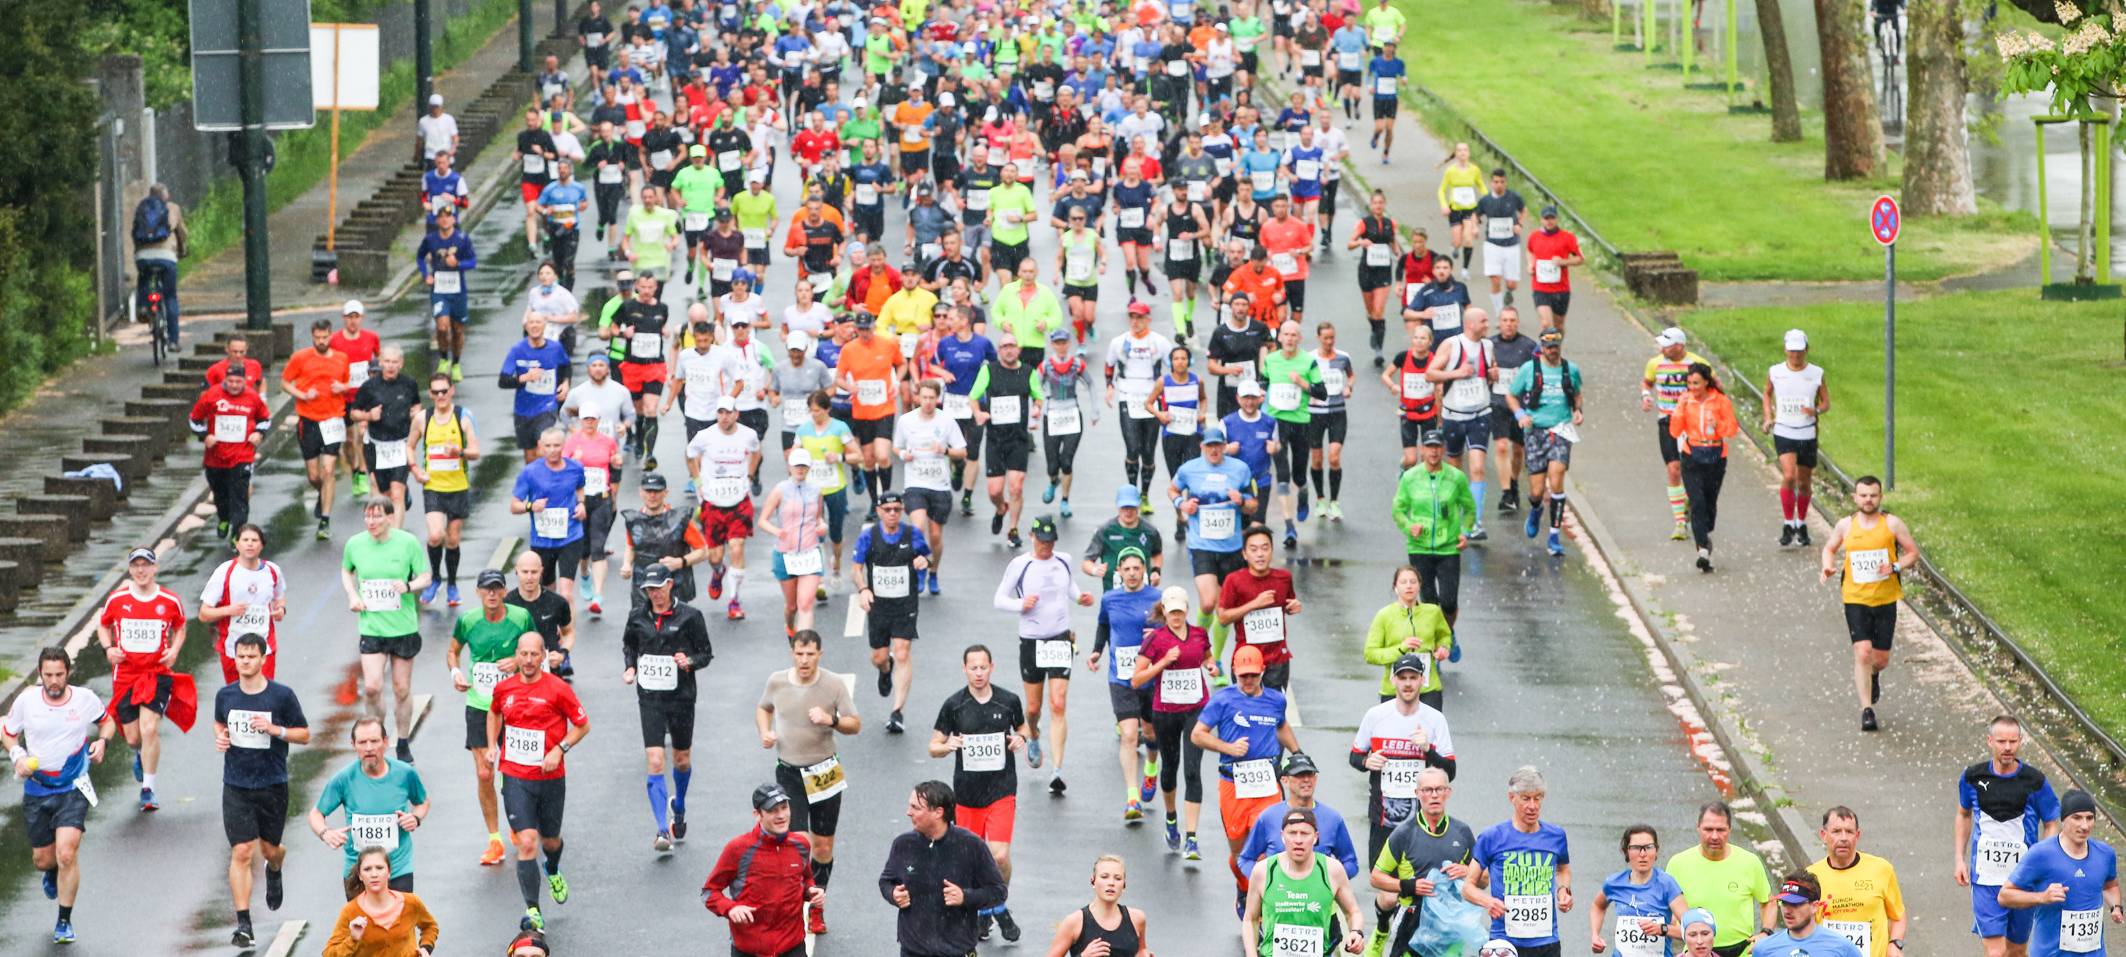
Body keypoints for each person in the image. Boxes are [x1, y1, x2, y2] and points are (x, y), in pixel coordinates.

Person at [4, 647, 115, 945]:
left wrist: (103, 742)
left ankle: (64, 920)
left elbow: (107, 721)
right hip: (38, 788)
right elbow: (7, 730)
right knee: (43, 859)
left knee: (68, 852)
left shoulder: (84, 699)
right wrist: (17, 755)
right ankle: (51, 870)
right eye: (48, 675)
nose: (54, 681)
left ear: (68, 672)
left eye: (59, 675)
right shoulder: (27, 700)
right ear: (40, 673)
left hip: (73, 785)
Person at [756, 630, 859, 934]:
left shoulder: (833, 684)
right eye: (799, 654)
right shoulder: (777, 681)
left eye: (810, 654)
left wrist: (832, 721)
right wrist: (765, 732)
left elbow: (855, 724)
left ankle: (816, 905)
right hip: (788, 771)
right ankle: (790, 904)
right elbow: (764, 708)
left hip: (824, 771)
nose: (804, 660)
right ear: (792, 653)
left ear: (819, 654)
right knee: (799, 842)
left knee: (823, 846)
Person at [487, 632, 590, 931]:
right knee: (527, 841)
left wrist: (560, 749)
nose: (529, 661)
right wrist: (492, 744)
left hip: (550, 778)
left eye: (535, 655)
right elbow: (494, 713)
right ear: (517, 655)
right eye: (524, 655)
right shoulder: (504, 688)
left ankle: (553, 868)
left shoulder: (557, 689)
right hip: (515, 776)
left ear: (544, 655)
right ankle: (533, 910)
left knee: (550, 840)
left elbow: (583, 726)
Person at [928, 647, 1032, 942]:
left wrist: (1020, 739)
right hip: (966, 795)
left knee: (998, 856)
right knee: (971, 860)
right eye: (972, 668)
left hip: (1001, 789)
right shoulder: (954, 705)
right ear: (965, 669)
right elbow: (932, 746)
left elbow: (1023, 728)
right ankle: (991, 909)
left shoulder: (1008, 700)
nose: (978, 673)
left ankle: (996, 901)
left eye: (982, 667)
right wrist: (948, 745)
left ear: (991, 667)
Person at [213, 634, 310, 946]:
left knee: (270, 850)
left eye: (251, 657)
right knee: (241, 851)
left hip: (272, 784)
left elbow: (305, 734)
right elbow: (219, 723)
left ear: (263, 659)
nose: (245, 662)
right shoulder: (226, 695)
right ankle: (243, 924)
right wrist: (222, 737)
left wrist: (275, 730)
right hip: (236, 785)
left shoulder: (281, 696)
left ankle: (276, 866)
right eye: (240, 656)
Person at [994, 515, 1092, 792]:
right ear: (1032, 537)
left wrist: (1080, 597)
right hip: (1032, 640)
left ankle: (1057, 770)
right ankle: (1033, 734)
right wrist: (1020, 605)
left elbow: (1069, 587)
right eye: (1041, 541)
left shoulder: (1063, 560)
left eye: (1050, 542)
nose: (1046, 547)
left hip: (1060, 638)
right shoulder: (1020, 564)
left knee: (1058, 703)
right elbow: (999, 599)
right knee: (1034, 708)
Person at [1817, 475, 1921, 732]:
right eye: (1863, 495)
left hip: (1885, 598)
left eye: (1873, 495)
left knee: (1881, 659)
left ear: (1880, 497)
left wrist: (1894, 566)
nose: (1868, 500)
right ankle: (1867, 711)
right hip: (1855, 598)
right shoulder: (1846, 526)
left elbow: (1913, 553)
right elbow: (1829, 548)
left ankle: (1873, 675)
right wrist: (1828, 567)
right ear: (1855, 498)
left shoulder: (1892, 524)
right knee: (1862, 652)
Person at [445, 569, 533, 867]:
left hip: (514, 703)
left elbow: (539, 651)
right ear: (479, 592)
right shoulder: (468, 620)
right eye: (487, 589)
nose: (492, 594)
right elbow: (453, 651)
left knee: (514, 771)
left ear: (505, 591)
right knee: (485, 773)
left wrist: (519, 661)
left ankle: (517, 824)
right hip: (480, 705)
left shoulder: (520, 618)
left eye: (497, 589)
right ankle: (494, 839)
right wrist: (455, 672)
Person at [622, 563, 712, 853]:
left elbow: (706, 653)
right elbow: (629, 646)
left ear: (670, 585)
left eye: (659, 589)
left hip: (682, 697)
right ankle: (662, 829)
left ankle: (680, 806)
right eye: (649, 591)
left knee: (681, 760)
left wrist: (690, 662)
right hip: (650, 698)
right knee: (656, 761)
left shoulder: (691, 616)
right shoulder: (637, 616)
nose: (655, 595)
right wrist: (630, 668)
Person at [1195, 645, 1301, 892]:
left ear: (1263, 671)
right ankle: (1244, 888)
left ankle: (1266, 899)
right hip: (1233, 785)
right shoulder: (1223, 700)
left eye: (1253, 675)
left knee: (1271, 846)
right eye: (1244, 675)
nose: (1249, 680)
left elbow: (1281, 726)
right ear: (1234, 672)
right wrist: (1228, 748)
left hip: (1267, 786)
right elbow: (1197, 735)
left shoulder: (1275, 700)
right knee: (1240, 854)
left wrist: (1297, 754)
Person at [97, 546, 194, 813]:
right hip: (126, 674)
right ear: (130, 569)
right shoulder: (117, 599)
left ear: (155, 568)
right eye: (136, 565)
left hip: (156, 673)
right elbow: (103, 625)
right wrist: (108, 649)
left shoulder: (169, 600)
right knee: (132, 737)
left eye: (146, 565)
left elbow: (181, 627)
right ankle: (139, 753)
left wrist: (173, 651)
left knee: (150, 728)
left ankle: (148, 789)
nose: (141, 570)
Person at [1958, 715, 2063, 957]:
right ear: (1990, 741)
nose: (2007, 747)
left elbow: (2050, 822)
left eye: (2013, 741)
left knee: (2016, 950)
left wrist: (2042, 863)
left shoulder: (2035, 781)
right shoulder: (1973, 777)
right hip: (1985, 878)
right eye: (2002, 741)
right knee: (1995, 951)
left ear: (2020, 742)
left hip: (2022, 880)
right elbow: (1963, 814)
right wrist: (1959, 858)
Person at [341, 496, 432, 763]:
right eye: (367, 517)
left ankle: (402, 741)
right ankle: (377, 737)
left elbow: (425, 576)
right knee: (371, 687)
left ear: (390, 518)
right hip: (372, 627)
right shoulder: (355, 544)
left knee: (402, 689)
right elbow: (346, 571)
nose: (371, 522)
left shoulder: (407, 543)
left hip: (403, 626)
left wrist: (409, 587)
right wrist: (352, 596)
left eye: (377, 516)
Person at [1368, 766, 1494, 957]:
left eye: (1439, 789)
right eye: (1427, 790)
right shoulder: (1403, 834)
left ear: (1447, 792)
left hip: (1449, 920)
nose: (1434, 795)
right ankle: (1381, 932)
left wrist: (1468, 871)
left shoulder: (1462, 832)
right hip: (1412, 918)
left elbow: (1484, 880)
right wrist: (1409, 885)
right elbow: (1376, 878)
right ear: (1417, 793)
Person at [882, 780, 1013, 955]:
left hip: (958, 951)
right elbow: (886, 881)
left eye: (916, 808)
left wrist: (965, 897)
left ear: (938, 812)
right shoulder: (903, 845)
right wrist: (893, 894)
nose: (908, 812)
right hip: (913, 951)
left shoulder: (972, 845)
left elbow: (998, 892)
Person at [1351, 654, 1458, 866]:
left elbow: (1450, 772)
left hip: (1423, 818)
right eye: (1402, 677)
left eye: (1413, 677)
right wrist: (1366, 762)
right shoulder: (1376, 715)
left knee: (1420, 882)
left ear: (1422, 680)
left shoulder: (1435, 719)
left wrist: (1428, 750)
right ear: (1393, 680)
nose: (1407, 683)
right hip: (1383, 816)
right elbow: (1355, 756)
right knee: (1383, 885)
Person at [1170, 426, 1258, 677]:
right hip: (1202, 546)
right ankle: (1196, 644)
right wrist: (1182, 504)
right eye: (1209, 446)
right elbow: (1172, 490)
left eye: (1218, 445)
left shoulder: (1239, 469)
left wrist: (1241, 500)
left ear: (1224, 446)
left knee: (1224, 610)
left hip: (1231, 548)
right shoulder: (1189, 469)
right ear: (1202, 447)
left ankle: (1214, 659)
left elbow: (1253, 505)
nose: (1214, 450)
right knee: (1208, 602)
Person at [2000, 789, 2122, 957]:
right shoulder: (2041, 854)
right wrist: (2041, 897)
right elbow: (2004, 895)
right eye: (2077, 818)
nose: (2084, 825)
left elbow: (2110, 884)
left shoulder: (2105, 854)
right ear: (2063, 819)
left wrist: (2115, 906)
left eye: (2089, 818)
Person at [705, 783, 825, 955]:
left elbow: (804, 879)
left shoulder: (801, 845)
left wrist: (811, 891)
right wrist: (730, 908)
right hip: (750, 950)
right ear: (757, 814)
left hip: (793, 947)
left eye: (784, 808)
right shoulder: (738, 849)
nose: (781, 815)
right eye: (772, 811)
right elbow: (709, 892)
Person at [1090, 552, 1162, 823]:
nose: (1132, 573)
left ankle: (1152, 767)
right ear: (1118, 570)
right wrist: (1097, 651)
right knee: (1130, 735)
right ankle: (1132, 797)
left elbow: (1172, 630)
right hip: (1120, 676)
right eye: (1127, 568)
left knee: (1151, 731)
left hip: (1151, 676)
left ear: (1144, 569)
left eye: (1137, 568)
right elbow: (1103, 626)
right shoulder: (1110, 598)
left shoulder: (1158, 597)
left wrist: (1157, 634)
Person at [1473, 766, 1575, 957]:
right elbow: (1468, 887)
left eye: (1537, 798)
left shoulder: (1556, 836)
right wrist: (1488, 901)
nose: (1533, 806)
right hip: (1504, 943)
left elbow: (1563, 869)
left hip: (1547, 941)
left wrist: (1564, 891)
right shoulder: (1491, 837)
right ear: (1512, 798)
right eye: (1526, 798)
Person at [1240, 808, 1369, 957]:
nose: (1298, 840)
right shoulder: (1263, 871)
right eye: (1292, 833)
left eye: (1305, 833)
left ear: (1315, 837)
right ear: (1282, 836)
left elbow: (1353, 912)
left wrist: (1356, 932)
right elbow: (1250, 919)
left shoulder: (1332, 870)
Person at [854, 491, 931, 731]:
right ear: (878, 512)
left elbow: (925, 556)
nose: (892, 514)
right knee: (879, 657)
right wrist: (863, 589)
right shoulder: (869, 537)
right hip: (879, 605)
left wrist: (923, 562)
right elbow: (856, 569)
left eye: (897, 510)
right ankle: (884, 670)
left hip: (905, 604)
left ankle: (897, 712)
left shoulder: (912, 534)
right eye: (887, 510)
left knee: (902, 652)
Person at [1504, 329, 1583, 558]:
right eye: (1548, 347)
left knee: (1557, 477)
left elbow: (1577, 394)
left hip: (1561, 429)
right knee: (1537, 490)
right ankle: (1536, 508)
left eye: (1556, 346)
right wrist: (1520, 415)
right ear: (1541, 348)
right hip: (1535, 431)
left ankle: (1554, 535)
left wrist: (1578, 411)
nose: (1552, 350)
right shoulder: (1529, 370)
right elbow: (1511, 395)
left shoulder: (1571, 370)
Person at [686, 396, 762, 621]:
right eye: (720, 412)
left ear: (736, 414)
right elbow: (690, 456)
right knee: (715, 556)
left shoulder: (748, 435)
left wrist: (749, 475)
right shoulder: (705, 436)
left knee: (737, 548)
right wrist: (698, 482)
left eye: (728, 412)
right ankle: (719, 572)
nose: (724, 417)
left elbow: (757, 453)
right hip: (713, 502)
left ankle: (734, 600)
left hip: (739, 501)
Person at [1666, 802, 1775, 957]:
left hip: (1742, 951)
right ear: (1698, 828)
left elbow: (1768, 902)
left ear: (1729, 829)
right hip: (1696, 951)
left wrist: (1766, 933)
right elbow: (1667, 911)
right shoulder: (1678, 864)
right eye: (1708, 829)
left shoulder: (1749, 862)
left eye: (1721, 830)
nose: (1714, 836)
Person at [1239, 753, 1365, 887]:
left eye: (1310, 775)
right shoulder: (1269, 817)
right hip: (1280, 896)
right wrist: (1266, 881)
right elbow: (1246, 859)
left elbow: (1350, 862)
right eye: (1299, 775)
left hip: (1317, 897)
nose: (1306, 780)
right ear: (1285, 780)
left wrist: (1329, 881)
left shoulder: (1332, 818)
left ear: (1315, 779)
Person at [1393, 433, 1473, 639]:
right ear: (1422, 450)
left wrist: (1465, 532)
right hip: (1419, 548)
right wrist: (1409, 526)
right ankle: (1438, 644)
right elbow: (1398, 510)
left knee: (1448, 601)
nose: (1434, 451)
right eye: (1429, 447)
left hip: (1449, 548)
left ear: (1443, 449)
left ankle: (1448, 633)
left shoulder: (1456, 477)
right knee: (1429, 603)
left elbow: (1469, 508)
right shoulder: (1410, 478)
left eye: (1437, 446)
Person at [411, 374, 480, 605]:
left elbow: (476, 451)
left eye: (444, 391)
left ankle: (451, 583)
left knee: (452, 539)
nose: (440, 396)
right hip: (434, 487)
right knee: (434, 535)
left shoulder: (463, 417)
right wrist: (415, 470)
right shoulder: (423, 418)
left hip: (458, 487)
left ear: (451, 391)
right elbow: (409, 446)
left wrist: (458, 452)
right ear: (430, 394)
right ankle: (435, 579)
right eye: (435, 392)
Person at [1426, 306, 1496, 536]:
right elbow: (1430, 373)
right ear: (1470, 324)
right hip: (1454, 416)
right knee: (1456, 470)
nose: (1487, 325)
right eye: (1483, 321)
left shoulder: (1488, 345)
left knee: (1477, 468)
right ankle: (1457, 516)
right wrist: (1456, 373)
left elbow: (1490, 370)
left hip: (1480, 414)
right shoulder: (1452, 345)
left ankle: (1474, 522)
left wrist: (1493, 374)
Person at [890, 381, 965, 594]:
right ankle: (921, 565)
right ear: (918, 398)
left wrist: (946, 451)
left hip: (939, 485)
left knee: (935, 535)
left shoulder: (947, 421)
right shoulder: (906, 421)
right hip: (915, 483)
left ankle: (934, 572)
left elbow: (962, 451)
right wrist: (904, 454)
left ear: (938, 399)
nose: (928, 402)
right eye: (924, 398)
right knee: (917, 527)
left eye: (932, 398)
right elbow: (897, 446)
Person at [284, 318, 355, 539]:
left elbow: (348, 383)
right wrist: (303, 395)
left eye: (325, 338)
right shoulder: (301, 357)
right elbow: (285, 382)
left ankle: (325, 520)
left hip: (333, 419)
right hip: (309, 419)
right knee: (314, 475)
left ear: (330, 336)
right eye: (317, 338)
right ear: (312, 336)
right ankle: (322, 494)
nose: (321, 341)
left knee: (328, 470)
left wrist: (342, 387)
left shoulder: (342, 358)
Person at [1807, 807, 1908, 957]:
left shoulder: (1881, 869)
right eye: (1836, 831)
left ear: (1857, 835)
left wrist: (1895, 944)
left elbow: (1898, 915)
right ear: (1824, 835)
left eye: (1849, 832)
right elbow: (1801, 925)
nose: (1843, 838)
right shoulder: (1810, 876)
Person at [191, 358, 273, 541]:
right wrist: (205, 436)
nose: (234, 385)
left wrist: (259, 433)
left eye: (238, 381)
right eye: (231, 381)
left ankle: (238, 535)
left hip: (242, 455)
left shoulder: (252, 397)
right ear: (224, 380)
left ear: (244, 381)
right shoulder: (212, 395)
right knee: (220, 494)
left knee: (239, 497)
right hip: (215, 457)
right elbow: (194, 419)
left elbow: (266, 419)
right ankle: (224, 518)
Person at [1642, 327, 1711, 542]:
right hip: (1667, 421)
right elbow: (1647, 382)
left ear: (1679, 346)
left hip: (1692, 422)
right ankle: (1680, 523)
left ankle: (1691, 500)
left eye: (1667, 344)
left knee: (1695, 469)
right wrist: (1646, 395)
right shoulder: (1655, 363)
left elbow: (1715, 386)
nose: (1662, 348)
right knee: (1673, 470)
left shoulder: (1697, 364)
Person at [512, 428, 589, 617]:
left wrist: (581, 504)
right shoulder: (530, 472)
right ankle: (552, 629)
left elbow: (580, 488)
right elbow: (514, 506)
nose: (553, 450)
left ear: (564, 446)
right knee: (548, 593)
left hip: (571, 536)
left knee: (566, 593)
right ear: (540, 447)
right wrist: (531, 505)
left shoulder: (575, 468)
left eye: (557, 445)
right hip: (542, 541)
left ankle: (567, 636)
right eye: (548, 446)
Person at [1670, 363, 1739, 573]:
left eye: (1697, 383)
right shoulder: (1685, 401)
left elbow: (1732, 429)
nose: (1693, 387)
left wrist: (1717, 424)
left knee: (1709, 503)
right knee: (1697, 502)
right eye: (1690, 383)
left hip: (1716, 457)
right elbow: (1675, 431)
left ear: (1706, 382)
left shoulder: (1721, 401)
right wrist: (1680, 410)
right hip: (1692, 456)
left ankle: (1704, 534)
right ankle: (1702, 551)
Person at [1217, 525, 1303, 690]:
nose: (1260, 554)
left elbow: (1287, 605)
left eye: (1265, 548)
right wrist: (1254, 604)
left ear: (1271, 550)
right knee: (1245, 710)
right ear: (1244, 554)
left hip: (1277, 658)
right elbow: (1223, 617)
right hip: (1246, 659)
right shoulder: (1234, 580)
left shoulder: (1284, 578)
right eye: (1254, 549)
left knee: (1273, 711)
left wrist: (1294, 607)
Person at [1764, 329, 1829, 547]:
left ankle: (1801, 522)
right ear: (1785, 350)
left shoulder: (1816, 373)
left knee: (1804, 481)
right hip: (1784, 431)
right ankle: (1787, 522)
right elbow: (1766, 393)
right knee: (1789, 476)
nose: (1795, 356)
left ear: (1806, 350)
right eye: (1792, 351)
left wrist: (1815, 411)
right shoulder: (1775, 372)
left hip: (1807, 433)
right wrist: (1768, 417)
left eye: (1799, 351)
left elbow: (1825, 403)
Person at [1588, 825, 1689, 957]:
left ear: (1656, 851)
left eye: (1648, 847)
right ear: (1626, 852)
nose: (1643, 854)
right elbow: (1597, 906)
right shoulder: (1614, 883)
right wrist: (1595, 935)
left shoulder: (1667, 884)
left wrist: (1662, 929)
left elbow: (1692, 929)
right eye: (1636, 848)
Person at [351, 346, 423, 527]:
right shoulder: (369, 387)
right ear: (381, 362)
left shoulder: (409, 384)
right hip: (376, 445)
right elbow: (353, 413)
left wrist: (415, 412)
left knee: (397, 492)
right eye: (387, 362)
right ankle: (383, 528)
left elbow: (416, 405)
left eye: (395, 362)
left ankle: (395, 536)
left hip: (401, 444)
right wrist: (368, 416)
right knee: (383, 495)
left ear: (401, 364)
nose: (390, 366)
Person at [323, 847, 440, 957]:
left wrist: (426, 947)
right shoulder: (350, 911)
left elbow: (430, 926)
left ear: (389, 872)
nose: (374, 874)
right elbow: (328, 953)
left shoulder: (411, 902)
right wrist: (352, 939)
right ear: (360, 875)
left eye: (379, 868)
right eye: (367, 869)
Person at [760, 448, 830, 633]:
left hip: (810, 552)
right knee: (792, 607)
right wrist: (777, 531)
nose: (800, 469)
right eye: (797, 466)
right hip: (786, 554)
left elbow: (819, 518)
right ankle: (790, 627)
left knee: (806, 604)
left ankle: (803, 643)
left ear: (808, 468)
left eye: (804, 466)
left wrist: (822, 526)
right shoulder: (780, 490)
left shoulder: (816, 491)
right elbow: (762, 521)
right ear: (789, 467)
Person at [1363, 567, 1452, 708]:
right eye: (1403, 582)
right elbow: (1370, 654)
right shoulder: (1384, 615)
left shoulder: (1433, 612)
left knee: (1427, 730)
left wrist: (1443, 648)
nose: (1409, 586)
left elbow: (1444, 636)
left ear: (1419, 585)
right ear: (1395, 587)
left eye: (1413, 581)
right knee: (1396, 731)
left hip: (1428, 688)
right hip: (1394, 690)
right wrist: (1401, 649)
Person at [561, 411, 620, 618]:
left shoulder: (608, 442)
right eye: (586, 418)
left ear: (598, 420)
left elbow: (614, 468)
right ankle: (584, 574)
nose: (589, 422)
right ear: (580, 420)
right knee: (583, 550)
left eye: (593, 418)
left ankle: (598, 595)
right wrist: (574, 461)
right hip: (580, 501)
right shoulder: (572, 442)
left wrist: (614, 497)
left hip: (601, 498)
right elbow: (562, 469)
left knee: (598, 547)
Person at [501, 313, 573, 465]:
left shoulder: (555, 348)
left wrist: (566, 383)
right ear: (526, 327)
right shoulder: (517, 350)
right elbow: (503, 381)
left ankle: (548, 484)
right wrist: (524, 378)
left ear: (544, 325)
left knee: (543, 449)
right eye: (531, 323)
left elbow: (566, 366)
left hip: (546, 408)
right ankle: (535, 486)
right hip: (523, 411)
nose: (534, 326)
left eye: (538, 322)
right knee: (530, 456)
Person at [1046, 855, 1152, 957]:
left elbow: (1141, 950)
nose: (1111, 883)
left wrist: (1144, 954)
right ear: (1093, 881)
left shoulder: (1137, 919)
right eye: (1104, 877)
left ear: (1124, 885)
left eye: (1118, 878)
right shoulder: (1074, 922)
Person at [418, 206, 478, 380]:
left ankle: (456, 363)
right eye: (441, 216)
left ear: (454, 219)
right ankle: (444, 358)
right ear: (437, 220)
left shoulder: (462, 239)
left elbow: (473, 261)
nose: (444, 219)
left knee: (457, 330)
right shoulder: (431, 239)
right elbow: (420, 256)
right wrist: (425, 274)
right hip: (439, 290)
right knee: (442, 327)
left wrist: (458, 264)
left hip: (458, 290)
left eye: (448, 216)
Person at [1752, 872, 1865, 957]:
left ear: (1814, 906)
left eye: (1795, 904)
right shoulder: (1763, 949)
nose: (1787, 910)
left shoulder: (1842, 948)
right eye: (1784, 903)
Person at [132, 183, 188, 347]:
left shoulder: (143, 208)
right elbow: (183, 233)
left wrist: (139, 254)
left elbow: (135, 233)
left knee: (143, 278)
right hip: (167, 257)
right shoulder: (173, 208)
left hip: (143, 256)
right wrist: (182, 250)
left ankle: (143, 306)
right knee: (170, 296)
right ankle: (173, 341)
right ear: (166, 196)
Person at [1525, 207, 1584, 331]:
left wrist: (1563, 261)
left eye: (1552, 218)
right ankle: (1546, 350)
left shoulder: (1567, 238)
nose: (1549, 221)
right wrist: (1530, 264)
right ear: (1541, 220)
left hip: (1560, 289)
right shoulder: (1534, 237)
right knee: (1546, 324)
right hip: (1540, 288)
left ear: (1557, 219)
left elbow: (1580, 259)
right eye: (1546, 218)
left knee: (1558, 326)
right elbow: (1529, 251)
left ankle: (1555, 349)